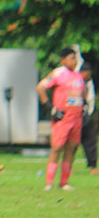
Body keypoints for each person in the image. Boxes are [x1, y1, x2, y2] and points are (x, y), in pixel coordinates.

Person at [36, 46, 85, 191]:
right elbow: (40, 87)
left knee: (71, 149)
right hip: (62, 119)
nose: (74, 61)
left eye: (75, 58)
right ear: (63, 60)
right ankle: (49, 182)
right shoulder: (58, 73)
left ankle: (64, 182)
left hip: (76, 119)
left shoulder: (78, 76)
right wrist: (49, 107)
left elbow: (82, 92)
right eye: (71, 58)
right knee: (57, 148)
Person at [78, 62, 98, 175]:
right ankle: (68, 166)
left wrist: (89, 113)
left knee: (90, 140)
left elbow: (91, 98)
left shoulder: (89, 82)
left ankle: (93, 166)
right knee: (73, 142)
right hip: (75, 115)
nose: (88, 76)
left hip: (86, 115)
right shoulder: (74, 81)